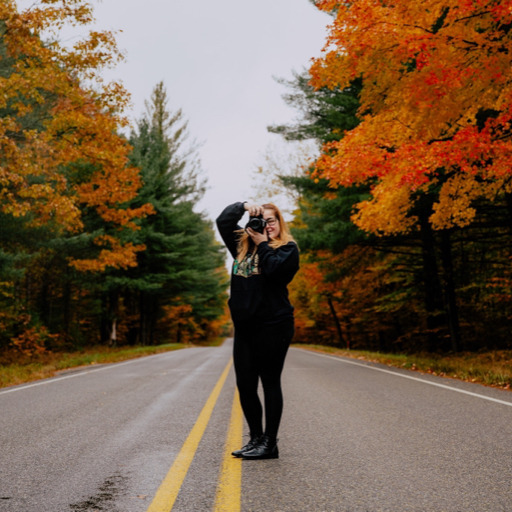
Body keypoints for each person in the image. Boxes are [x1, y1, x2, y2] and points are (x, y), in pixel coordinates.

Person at [216, 201, 299, 460]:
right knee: (246, 385)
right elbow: (223, 221)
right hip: (245, 328)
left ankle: (270, 443)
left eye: (271, 220)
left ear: (279, 223)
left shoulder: (287, 249)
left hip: (274, 325)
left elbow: (275, 272)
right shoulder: (242, 247)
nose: (266, 225)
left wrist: (263, 241)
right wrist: (243, 206)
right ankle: (255, 439)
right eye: (261, 220)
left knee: (270, 382)